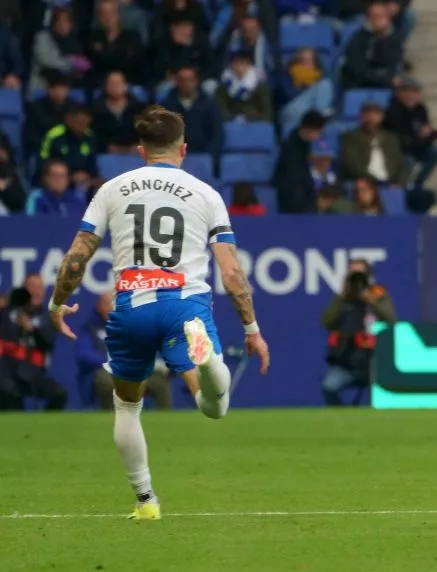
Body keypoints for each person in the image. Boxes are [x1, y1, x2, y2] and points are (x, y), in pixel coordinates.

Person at [45, 105, 270, 521]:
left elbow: (77, 256)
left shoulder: (113, 188)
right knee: (214, 408)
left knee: (128, 406)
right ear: (183, 148)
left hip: (130, 304)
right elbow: (232, 272)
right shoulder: (206, 194)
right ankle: (207, 365)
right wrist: (251, 329)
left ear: (140, 149)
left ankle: (146, 501)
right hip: (185, 305)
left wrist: (58, 303)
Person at [76, 292, 173, 410]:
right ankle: (110, 419)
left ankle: (164, 421)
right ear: (100, 306)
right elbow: (84, 355)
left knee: (159, 382)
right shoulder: (90, 328)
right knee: (106, 381)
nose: (114, 308)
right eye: (109, 304)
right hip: (106, 370)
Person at [320, 259, 396, 406]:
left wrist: (372, 301)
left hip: (374, 360)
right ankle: (340, 420)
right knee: (328, 386)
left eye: (360, 273)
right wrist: (343, 296)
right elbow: (326, 322)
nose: (357, 278)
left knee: (381, 395)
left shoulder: (378, 295)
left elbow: (391, 320)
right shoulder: (343, 298)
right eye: (353, 273)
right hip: (347, 360)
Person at [0, 275, 67, 411]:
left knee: (59, 394)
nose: (36, 291)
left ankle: (46, 427)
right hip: (8, 371)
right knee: (8, 390)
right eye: (32, 287)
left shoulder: (47, 318)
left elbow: (48, 342)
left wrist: (31, 328)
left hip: (33, 373)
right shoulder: (7, 313)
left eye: (40, 288)